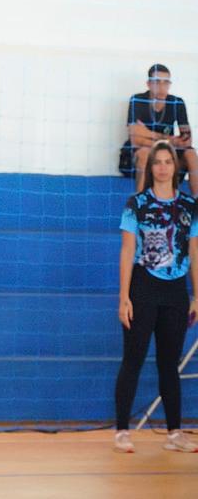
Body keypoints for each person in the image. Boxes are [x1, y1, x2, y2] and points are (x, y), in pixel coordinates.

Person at [115, 140, 198, 454]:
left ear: (176, 167)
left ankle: (174, 433)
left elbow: (194, 251)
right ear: (150, 168)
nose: (163, 167)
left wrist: (196, 296)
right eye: (157, 162)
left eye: (168, 161)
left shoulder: (190, 207)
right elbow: (126, 251)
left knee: (169, 364)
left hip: (176, 292)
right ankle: (122, 431)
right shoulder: (136, 204)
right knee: (133, 359)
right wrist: (124, 297)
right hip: (143, 288)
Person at [127, 64, 195, 195]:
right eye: (157, 81)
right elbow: (135, 139)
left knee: (191, 154)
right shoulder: (137, 100)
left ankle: (196, 201)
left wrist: (147, 134)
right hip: (141, 154)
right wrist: (168, 139)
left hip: (168, 151)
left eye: (166, 82)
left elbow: (186, 140)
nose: (162, 87)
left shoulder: (177, 102)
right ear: (148, 84)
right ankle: (140, 204)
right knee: (145, 153)